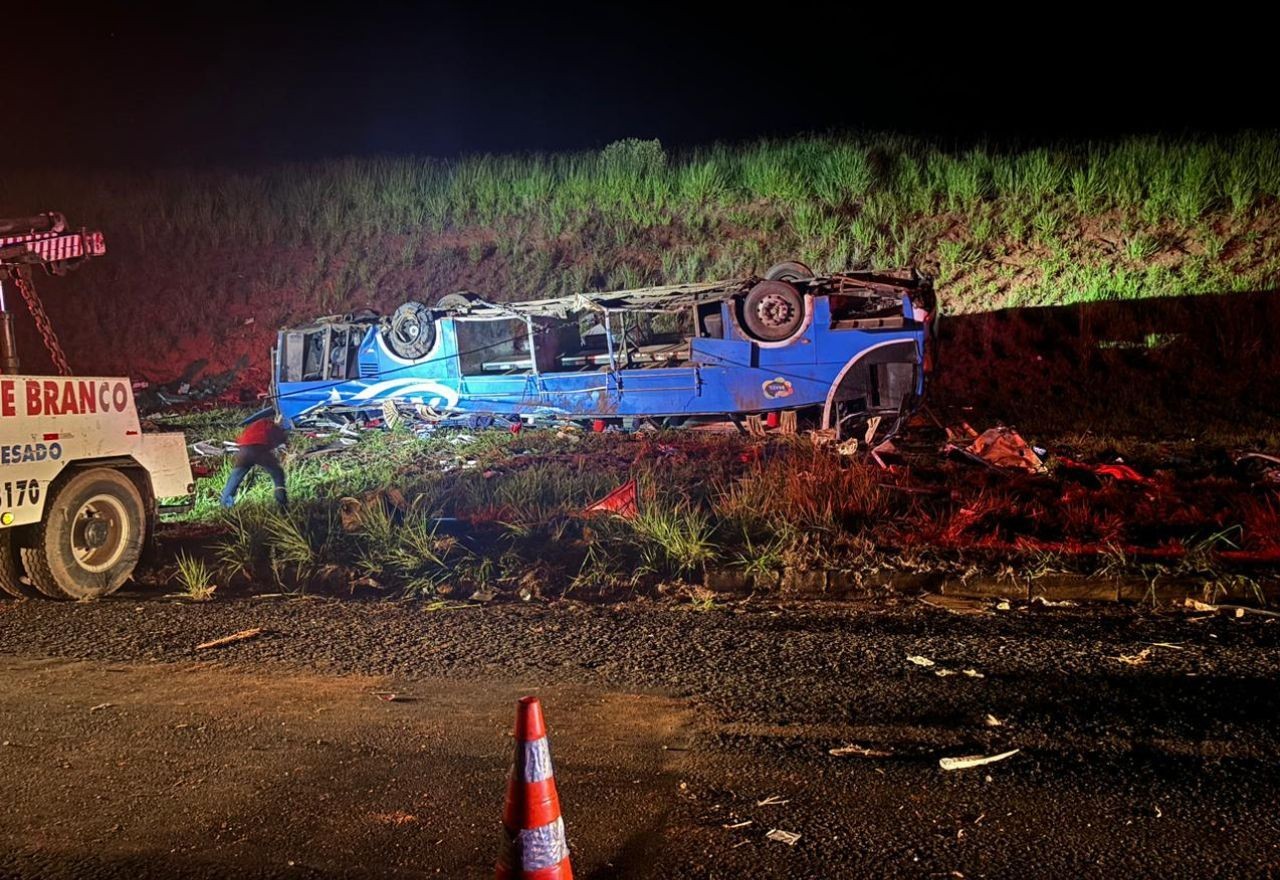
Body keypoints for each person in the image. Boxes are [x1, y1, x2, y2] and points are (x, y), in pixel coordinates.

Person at [220, 416, 289, 509]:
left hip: (243, 450)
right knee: (277, 473)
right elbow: (278, 440)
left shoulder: (260, 423)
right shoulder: (272, 427)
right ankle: (282, 502)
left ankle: (225, 505)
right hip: (258, 448)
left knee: (235, 477)